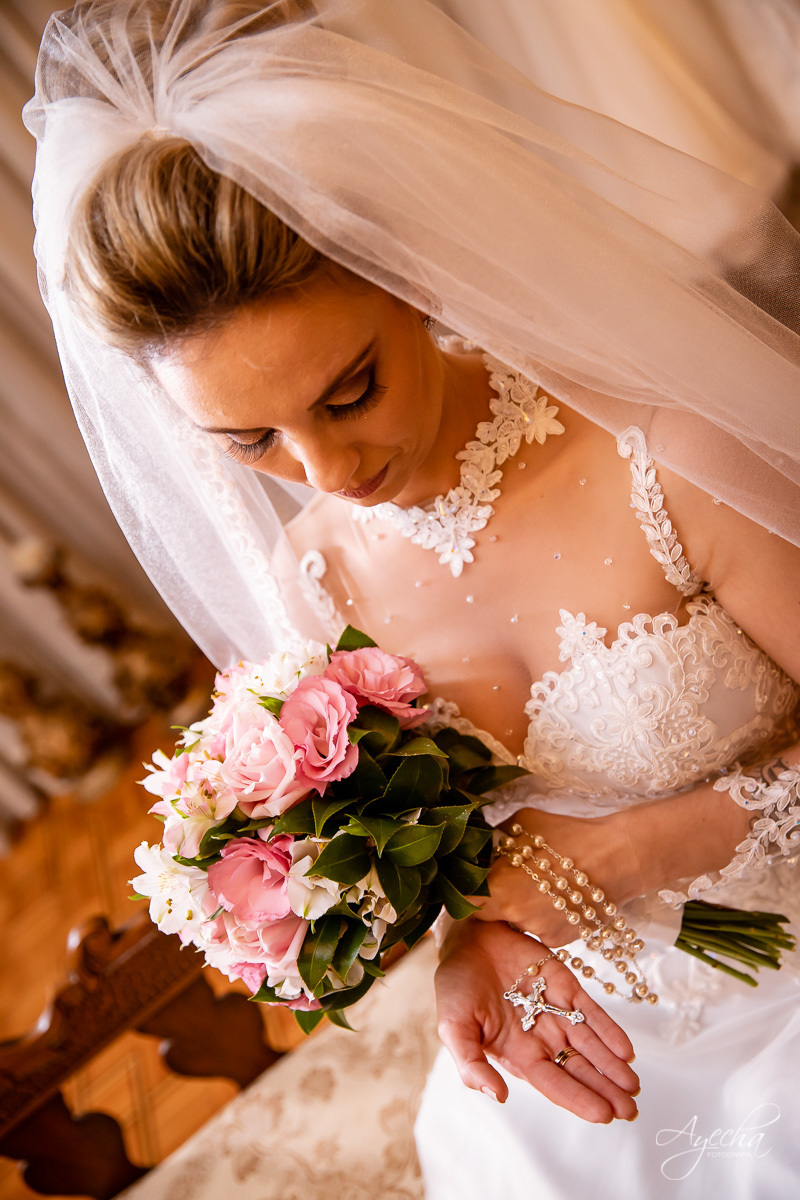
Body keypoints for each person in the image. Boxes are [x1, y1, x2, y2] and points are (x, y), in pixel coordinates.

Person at [23, 1, 800, 1195]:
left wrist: (629, 849)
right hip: (600, 1014)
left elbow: (581, 851)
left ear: (409, 271)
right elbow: (456, 838)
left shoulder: (666, 451)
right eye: (250, 441)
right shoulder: (317, 580)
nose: (327, 476)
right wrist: (468, 938)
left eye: (349, 391)